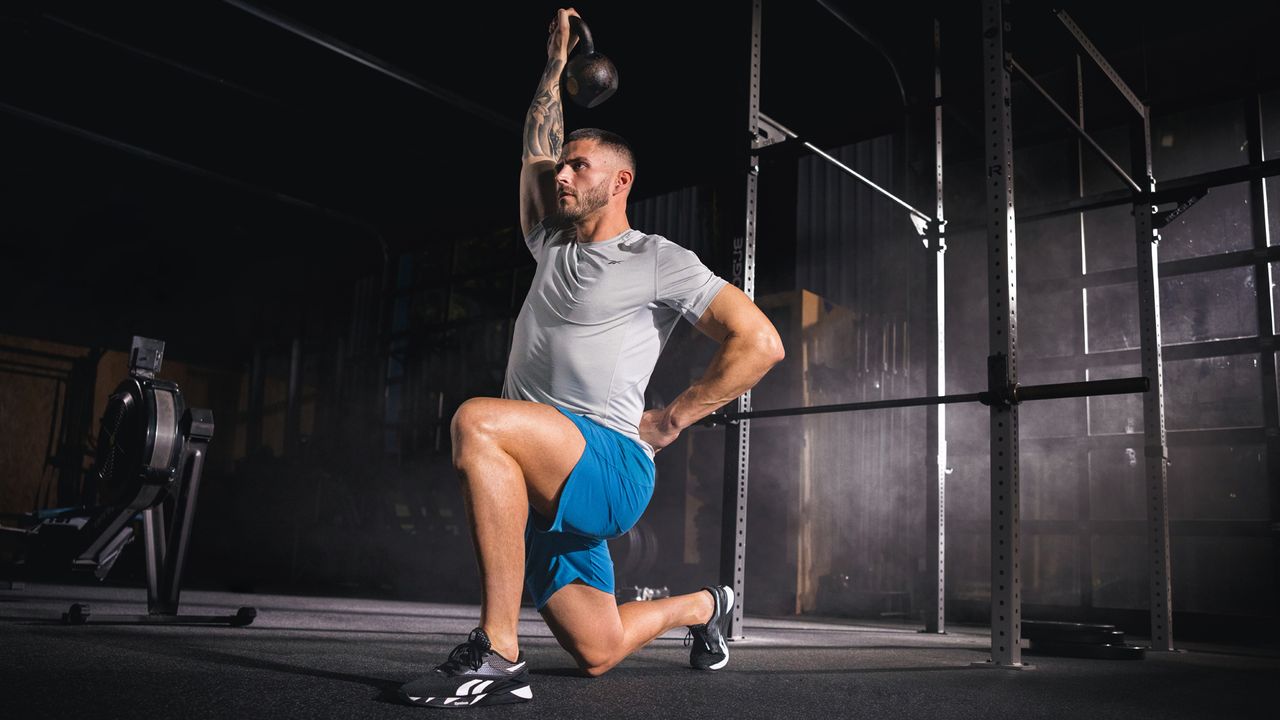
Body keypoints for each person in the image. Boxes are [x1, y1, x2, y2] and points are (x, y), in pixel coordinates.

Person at [397, 7, 784, 709]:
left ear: (622, 182)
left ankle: (498, 651)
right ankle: (705, 606)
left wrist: (669, 421)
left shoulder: (657, 259)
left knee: (477, 423)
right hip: (547, 476)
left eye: (582, 166)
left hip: (607, 462)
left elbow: (760, 342)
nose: (565, 175)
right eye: (565, 165)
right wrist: (554, 65)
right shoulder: (550, 241)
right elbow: (534, 148)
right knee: (598, 650)